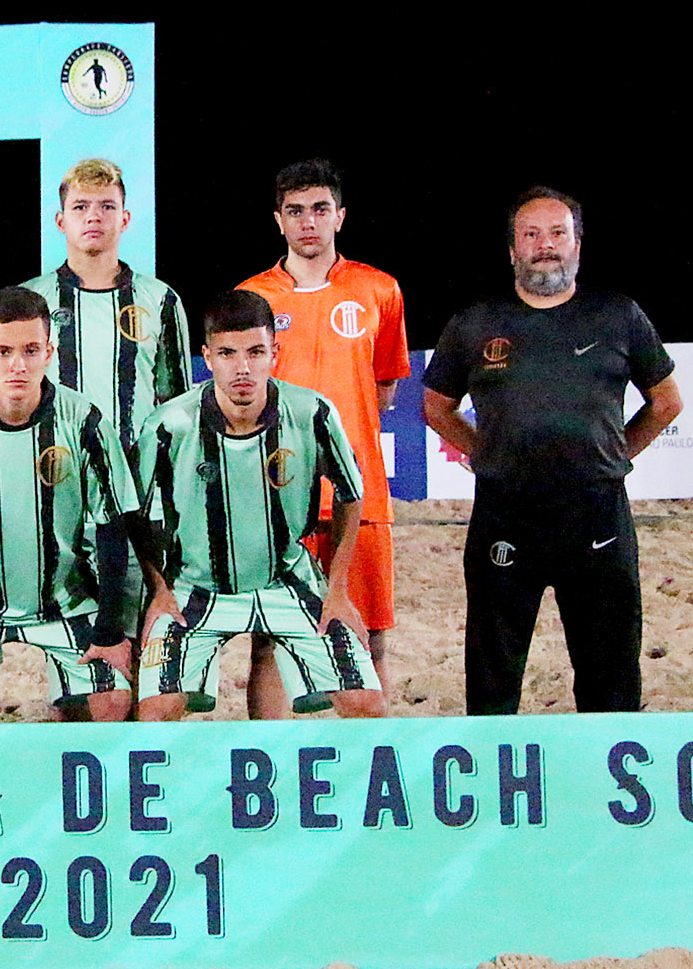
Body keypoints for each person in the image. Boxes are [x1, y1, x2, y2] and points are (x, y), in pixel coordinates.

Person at [423, 187, 682, 714]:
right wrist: (486, 454)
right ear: (512, 250)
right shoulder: (476, 322)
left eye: (558, 233)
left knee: (610, 674)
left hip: (597, 512)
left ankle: (603, 764)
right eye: (531, 234)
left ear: (577, 245)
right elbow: (436, 407)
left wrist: (616, 454)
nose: (545, 245)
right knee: (493, 677)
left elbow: (667, 402)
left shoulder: (618, 315)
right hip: (505, 512)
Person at [133, 290, 383, 720]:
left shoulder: (313, 413)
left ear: (274, 354)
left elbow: (351, 493)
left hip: (287, 580)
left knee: (367, 706)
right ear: (207, 357)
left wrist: (338, 589)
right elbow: (134, 514)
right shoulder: (168, 425)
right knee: (156, 712)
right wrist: (158, 588)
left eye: (255, 352)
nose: (243, 368)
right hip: (195, 586)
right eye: (227, 353)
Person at [0, 287, 139, 724]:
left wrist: (110, 630)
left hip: (67, 603)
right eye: (3, 351)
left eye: (31, 350)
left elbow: (113, 532)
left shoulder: (85, 422)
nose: (18, 365)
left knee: (111, 704)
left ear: (50, 352)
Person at [239, 159, 409, 716]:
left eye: (319, 209)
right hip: (275, 494)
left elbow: (383, 388)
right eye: (295, 211)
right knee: (270, 641)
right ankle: (268, 758)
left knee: (366, 636)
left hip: (360, 495)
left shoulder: (379, 290)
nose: (307, 222)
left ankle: (370, 752)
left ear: (340, 216)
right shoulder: (253, 297)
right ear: (278, 220)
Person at [20, 158, 191, 475]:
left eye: (107, 206)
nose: (94, 216)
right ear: (61, 221)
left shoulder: (160, 299)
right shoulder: (30, 301)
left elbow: (178, 406)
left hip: (138, 481)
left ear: (125, 219)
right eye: (80, 207)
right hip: (52, 474)